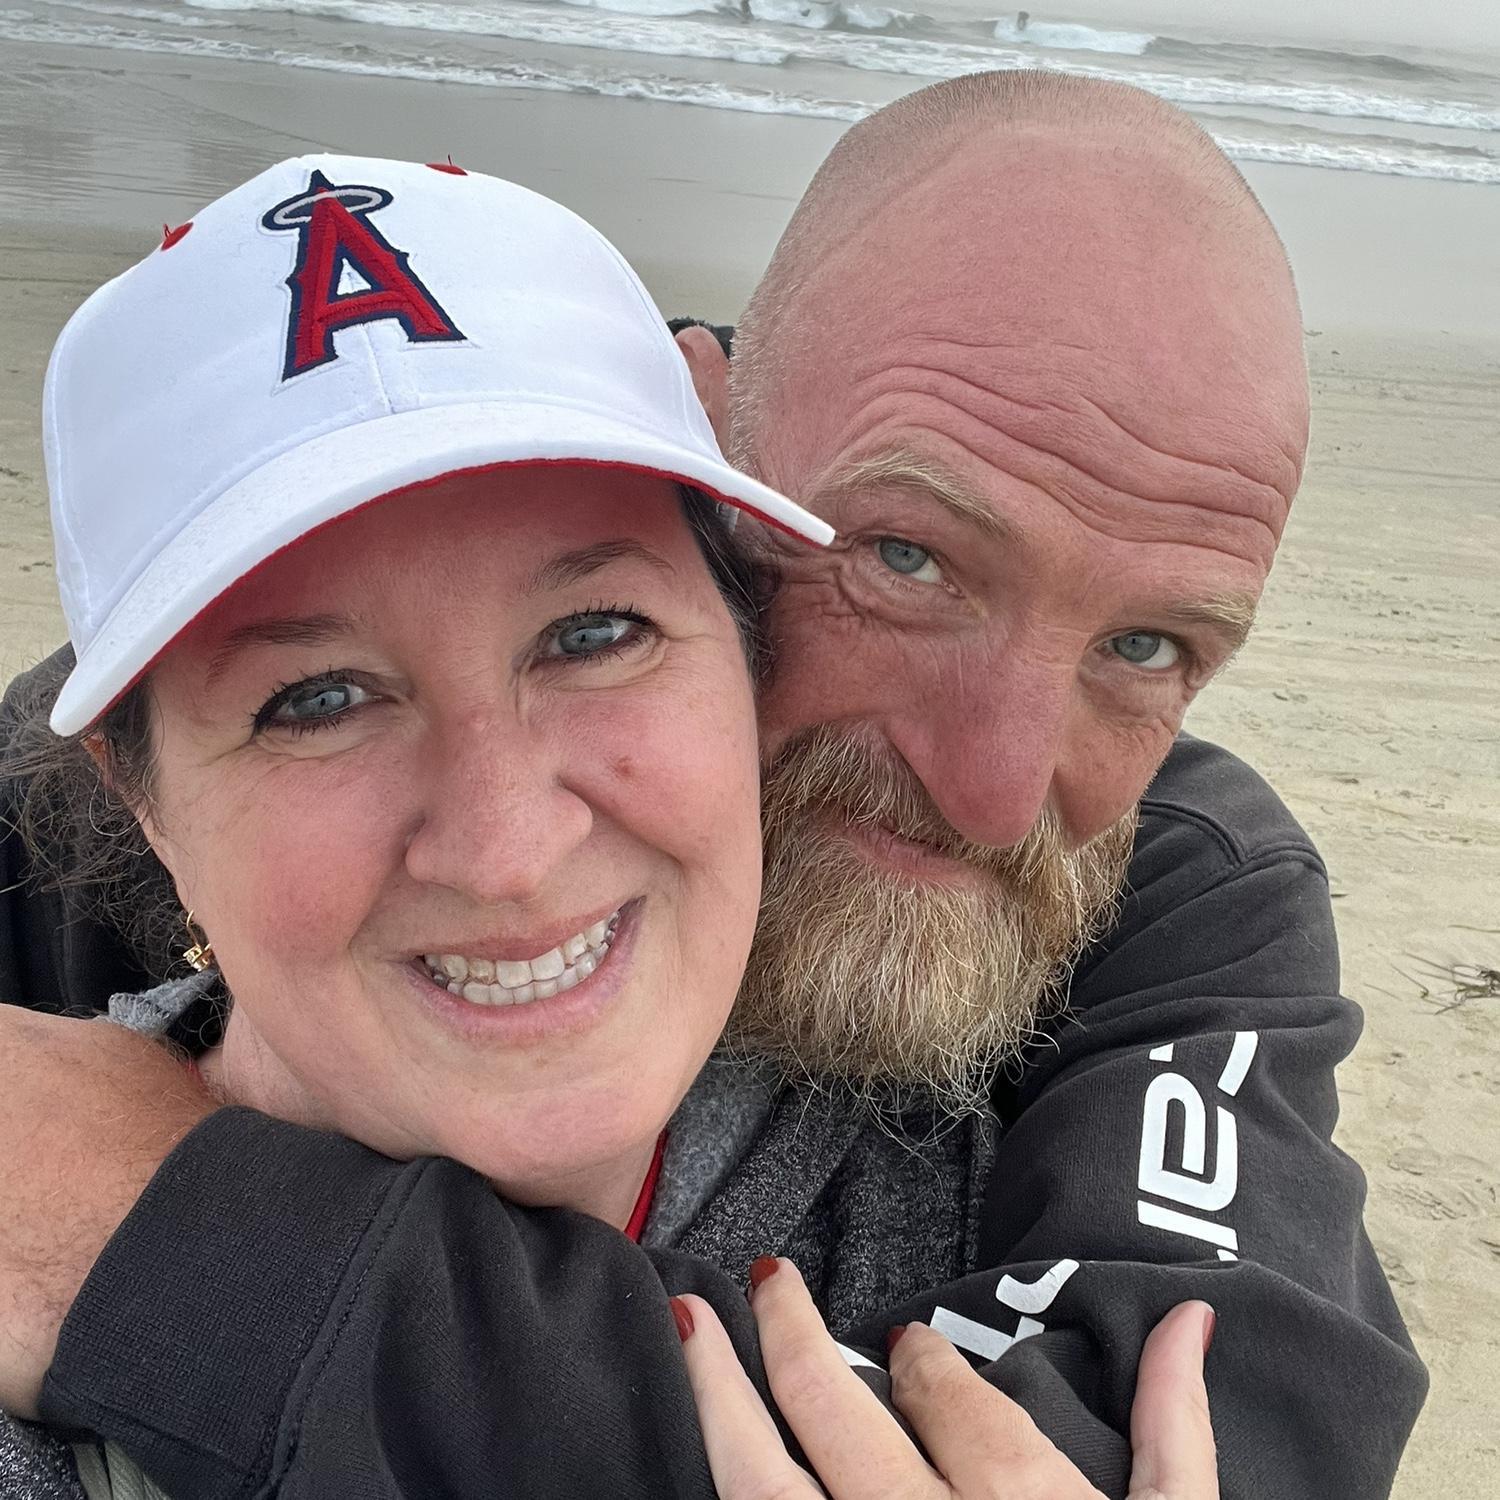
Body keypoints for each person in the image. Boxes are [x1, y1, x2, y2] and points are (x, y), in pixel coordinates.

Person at [0, 74, 1424, 1498]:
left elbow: (1214, 1422)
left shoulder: (1177, 878)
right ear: (722, 465)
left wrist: (175, 1244)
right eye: (908, 558)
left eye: (1147, 646)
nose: (995, 798)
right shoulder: (100, 779)